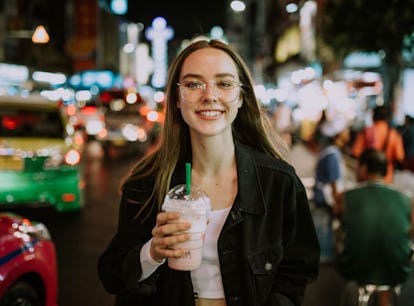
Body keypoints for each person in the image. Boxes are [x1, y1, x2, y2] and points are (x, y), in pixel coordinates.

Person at [97, 38, 320, 306]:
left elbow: (299, 267)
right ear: (177, 99)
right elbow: (111, 275)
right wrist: (153, 252)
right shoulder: (147, 184)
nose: (210, 95)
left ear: (240, 97)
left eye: (224, 84)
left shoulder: (279, 182)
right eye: (193, 84)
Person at [335, 149, 413, 306]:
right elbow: (410, 232)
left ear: (364, 168)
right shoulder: (406, 199)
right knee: (386, 253)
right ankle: (385, 300)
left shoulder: (345, 197)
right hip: (397, 268)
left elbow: (340, 222)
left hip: (356, 266)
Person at [312, 117, 350, 262]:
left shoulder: (329, 152)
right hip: (324, 200)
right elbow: (334, 183)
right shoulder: (332, 155)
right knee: (323, 234)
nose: (348, 132)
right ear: (338, 134)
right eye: (344, 130)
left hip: (322, 198)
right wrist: (338, 204)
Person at [351, 105, 405, 183]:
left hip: (366, 175)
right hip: (386, 177)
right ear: (387, 118)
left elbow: (356, 152)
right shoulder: (394, 135)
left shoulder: (366, 131)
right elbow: (400, 156)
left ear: (374, 116)